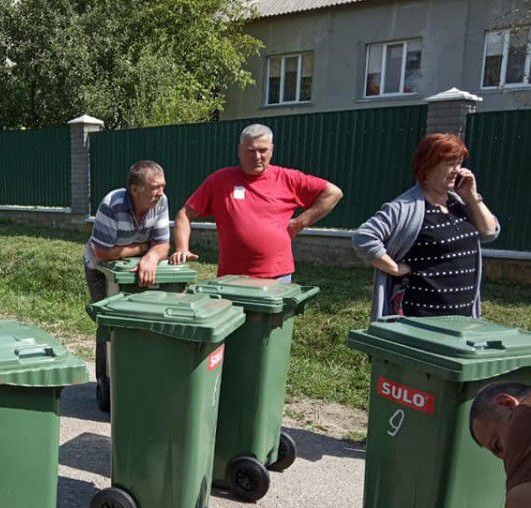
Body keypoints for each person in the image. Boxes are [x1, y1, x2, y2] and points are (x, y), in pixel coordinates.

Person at [352, 133, 500, 321]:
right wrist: (395, 269)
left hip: (463, 315)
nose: (457, 170)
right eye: (449, 163)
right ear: (427, 167)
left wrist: (472, 197)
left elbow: (489, 232)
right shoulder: (405, 207)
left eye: (459, 163)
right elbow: (363, 237)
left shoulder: (460, 203)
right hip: (422, 317)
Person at [170, 123, 342, 281]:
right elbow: (184, 214)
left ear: (272, 150)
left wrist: (299, 223)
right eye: (251, 151)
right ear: (239, 150)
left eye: (263, 150)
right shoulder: (220, 180)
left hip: (276, 275)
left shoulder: (288, 178)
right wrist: (182, 248)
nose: (257, 157)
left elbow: (333, 193)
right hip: (232, 277)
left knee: (272, 315)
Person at [84, 160, 170, 397]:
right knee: (109, 324)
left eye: (162, 186)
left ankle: (137, 380)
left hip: (133, 271)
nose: (161, 192)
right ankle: (106, 384)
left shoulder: (160, 202)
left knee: (140, 323)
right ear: (135, 189)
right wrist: (141, 247)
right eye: (155, 187)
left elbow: (163, 244)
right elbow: (102, 253)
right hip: (101, 271)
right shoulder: (112, 204)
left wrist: (151, 256)